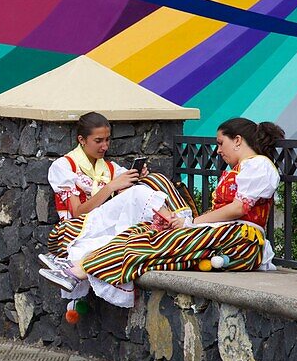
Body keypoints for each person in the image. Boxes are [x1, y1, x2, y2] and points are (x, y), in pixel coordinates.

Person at [41, 118, 283, 306]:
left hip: (239, 239)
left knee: (150, 242)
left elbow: (238, 208)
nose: (218, 150)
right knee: (141, 230)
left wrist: (192, 223)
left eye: (221, 143)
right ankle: (74, 265)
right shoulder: (240, 168)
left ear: (238, 140)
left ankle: (77, 271)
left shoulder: (259, 165)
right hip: (222, 232)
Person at [39, 113, 193, 300]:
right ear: (82, 140)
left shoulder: (111, 168)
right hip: (76, 228)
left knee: (152, 180)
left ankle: (177, 223)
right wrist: (112, 187)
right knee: (138, 193)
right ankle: (184, 225)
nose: (105, 146)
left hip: (106, 222)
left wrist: (137, 178)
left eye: (107, 140)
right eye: (98, 141)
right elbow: (76, 212)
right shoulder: (64, 166)